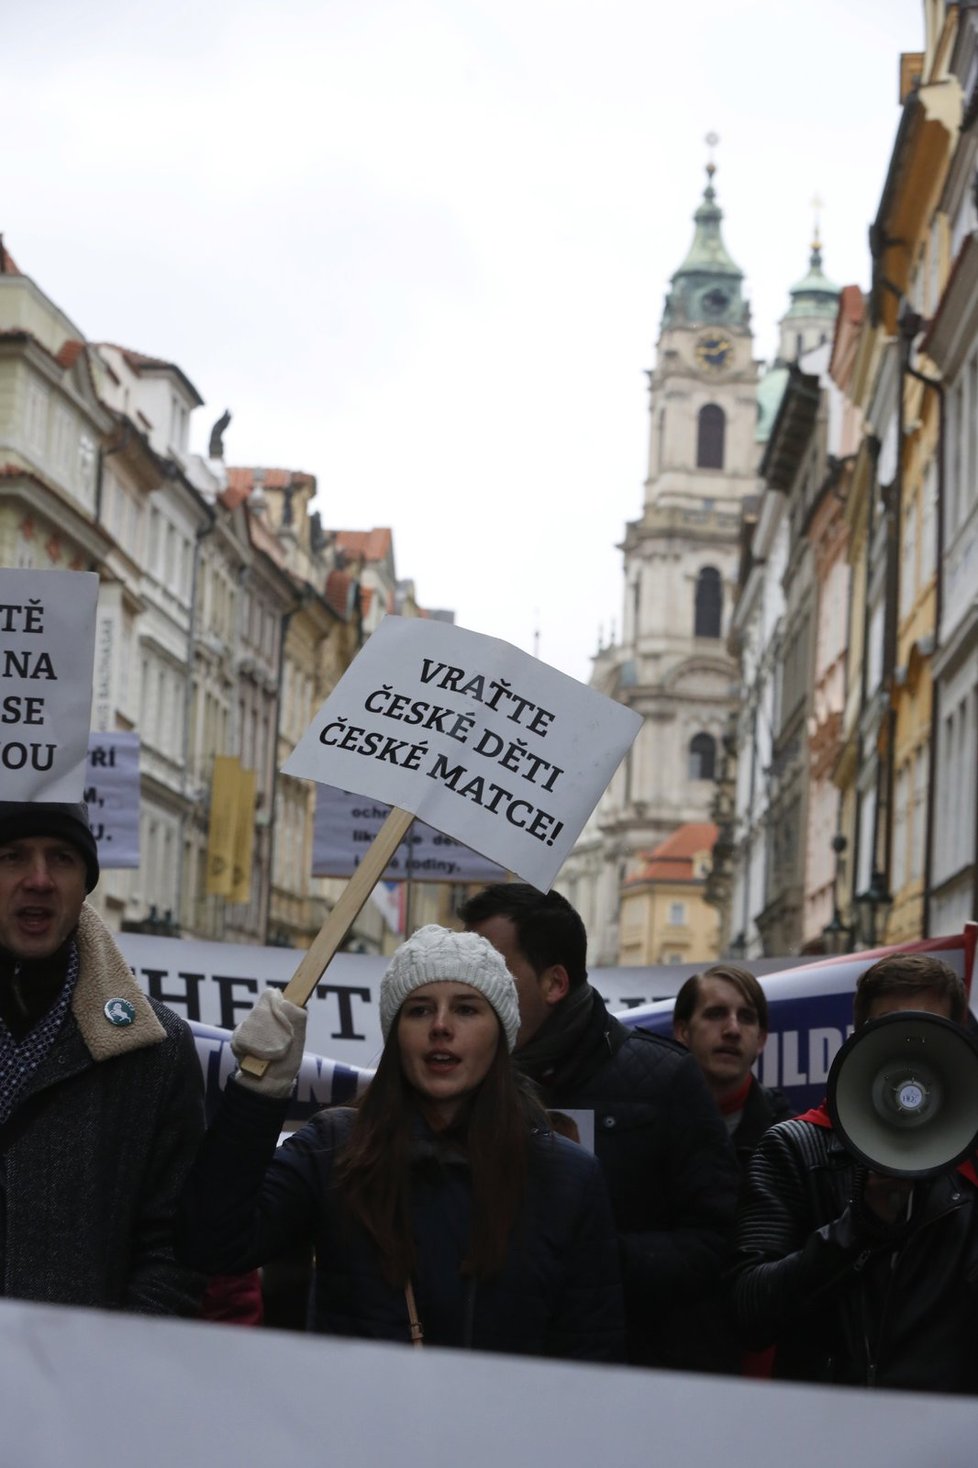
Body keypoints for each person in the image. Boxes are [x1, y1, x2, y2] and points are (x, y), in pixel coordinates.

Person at [178, 924, 625, 1360]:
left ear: (501, 1033)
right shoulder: (334, 1148)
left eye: (467, 1009)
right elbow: (212, 1243)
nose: (441, 1026)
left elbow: (591, 1355)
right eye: (419, 1010)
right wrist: (257, 1095)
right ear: (396, 1036)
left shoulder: (568, 1176)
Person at [460, 883, 738, 1371]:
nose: (469, 988)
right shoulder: (460, 1080)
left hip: (626, 1372)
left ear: (554, 984)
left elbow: (717, 1240)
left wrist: (593, 1256)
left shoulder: (665, 1079)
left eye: (489, 973)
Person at [733, 952, 978, 1393]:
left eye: (925, 1031)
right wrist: (858, 1227)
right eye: (889, 1028)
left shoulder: (971, 1160)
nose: (908, 1044)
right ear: (858, 1036)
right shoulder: (796, 1147)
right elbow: (750, 1311)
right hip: (831, 1427)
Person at [0, 799, 205, 1313]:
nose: (40, 880)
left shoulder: (155, 1052)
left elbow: (175, 1250)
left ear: (85, 883)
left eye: (63, 858)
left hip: (75, 1384)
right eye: (13, 856)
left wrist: (111, 1369)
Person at [673, 963, 793, 1175]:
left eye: (746, 1018)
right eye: (716, 1014)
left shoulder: (791, 1142)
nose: (733, 1030)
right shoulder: (648, 1128)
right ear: (683, 1031)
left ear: (761, 1040)